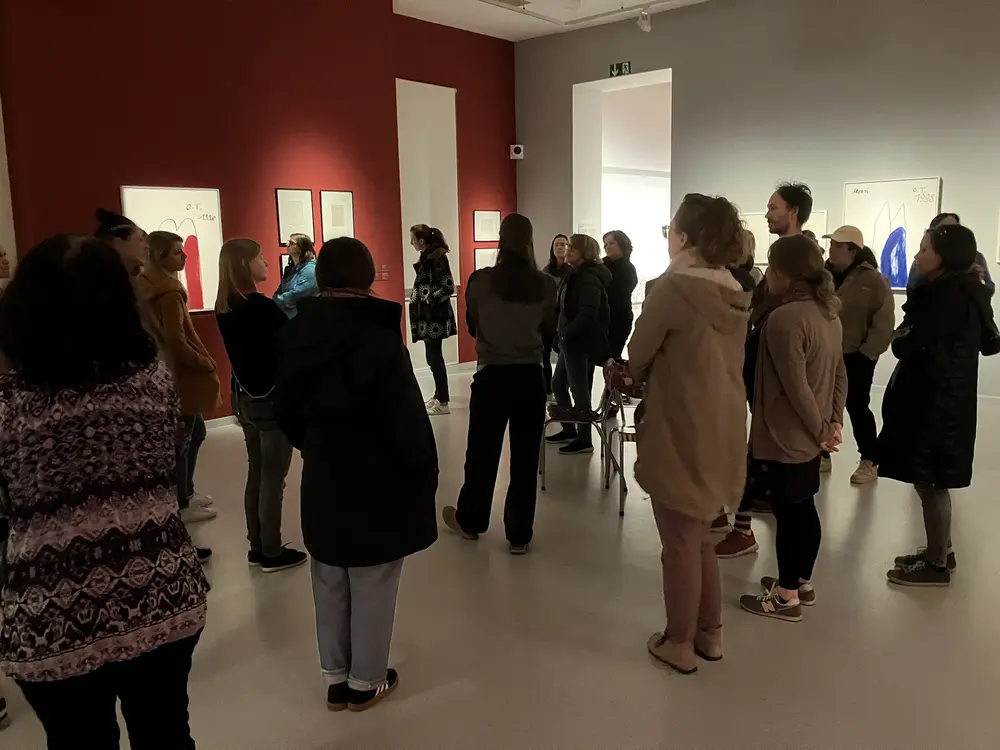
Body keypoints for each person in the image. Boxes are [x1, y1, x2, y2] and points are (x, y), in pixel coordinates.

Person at [0, 235, 209, 748]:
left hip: (55, 615)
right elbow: (168, 463)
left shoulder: (10, 403)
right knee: (166, 734)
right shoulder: (153, 384)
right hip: (161, 592)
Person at [274, 236, 438, 712]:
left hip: (324, 470)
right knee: (373, 577)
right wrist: (422, 470)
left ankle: (335, 675)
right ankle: (366, 680)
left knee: (328, 572)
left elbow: (286, 411)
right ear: (366, 278)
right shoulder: (378, 338)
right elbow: (405, 418)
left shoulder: (295, 334)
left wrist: (317, 444)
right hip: (376, 475)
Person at [629, 194, 751, 674]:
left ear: (683, 237)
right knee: (702, 539)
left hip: (679, 424)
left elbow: (639, 353)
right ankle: (710, 634)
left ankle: (678, 641)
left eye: (670, 231)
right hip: (724, 423)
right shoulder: (734, 290)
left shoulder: (673, 289)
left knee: (679, 541)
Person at [880, 224, 1000, 587]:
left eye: (925, 249)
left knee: (931, 481)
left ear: (946, 256)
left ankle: (935, 565)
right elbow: (989, 342)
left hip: (936, 400)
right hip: (946, 398)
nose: (917, 256)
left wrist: (900, 337)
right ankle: (940, 550)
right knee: (931, 479)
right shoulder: (968, 290)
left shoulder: (946, 295)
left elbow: (907, 343)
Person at [738, 235, 846, 622]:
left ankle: (785, 597)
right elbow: (839, 374)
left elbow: (795, 387)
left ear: (784, 272)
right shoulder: (828, 314)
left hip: (785, 435)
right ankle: (800, 581)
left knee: (788, 514)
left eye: (771, 266)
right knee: (803, 507)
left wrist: (821, 429)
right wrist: (833, 422)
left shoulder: (785, 318)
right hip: (809, 435)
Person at [442, 214, 557, 555]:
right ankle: (519, 534)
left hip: (492, 375)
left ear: (501, 240)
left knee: (481, 453)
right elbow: (548, 331)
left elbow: (472, 325)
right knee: (525, 458)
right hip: (529, 377)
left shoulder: (480, 281)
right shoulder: (545, 284)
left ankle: (471, 520)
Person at [216, 238, 307, 573]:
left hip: (244, 398)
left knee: (257, 472)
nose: (266, 262)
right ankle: (271, 549)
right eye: (260, 257)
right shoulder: (260, 308)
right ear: (245, 264)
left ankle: (257, 545)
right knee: (273, 477)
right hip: (270, 400)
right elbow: (292, 346)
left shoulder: (226, 306)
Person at [137, 231, 222, 526]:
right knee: (184, 439)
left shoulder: (147, 287)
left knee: (194, 433)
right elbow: (177, 339)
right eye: (177, 252)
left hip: (163, 372)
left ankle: (187, 491)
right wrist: (204, 362)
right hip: (180, 376)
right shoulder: (170, 293)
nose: (184, 257)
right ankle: (182, 501)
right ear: (160, 257)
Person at [821, 226, 894, 484]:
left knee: (857, 406)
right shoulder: (822, 276)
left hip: (856, 355)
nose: (832, 250)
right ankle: (822, 453)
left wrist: (867, 354)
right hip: (824, 353)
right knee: (821, 404)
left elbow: (883, 322)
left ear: (854, 250)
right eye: (832, 245)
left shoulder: (873, 281)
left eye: (838, 246)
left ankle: (869, 459)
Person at [546, 234, 611, 455]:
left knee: (579, 390)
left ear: (584, 252)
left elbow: (588, 314)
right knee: (558, 384)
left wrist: (566, 334)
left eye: (572, 247)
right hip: (569, 341)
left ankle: (584, 438)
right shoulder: (574, 274)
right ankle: (569, 428)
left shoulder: (588, 277)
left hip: (579, 342)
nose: (567, 250)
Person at [409, 224, 457, 416]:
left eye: (413, 239)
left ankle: (443, 401)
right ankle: (438, 396)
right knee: (432, 357)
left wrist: (429, 299)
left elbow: (448, 287)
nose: (411, 243)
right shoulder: (428, 257)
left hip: (434, 319)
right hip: (429, 318)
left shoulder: (438, 258)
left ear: (421, 241)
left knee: (435, 358)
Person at [906, 213, 995, 294]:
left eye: (956, 228)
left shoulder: (976, 257)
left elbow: (989, 288)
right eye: (946, 230)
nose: (952, 234)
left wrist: (978, 281)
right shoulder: (921, 260)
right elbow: (912, 291)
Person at [601, 230, 639, 415]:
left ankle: (610, 402)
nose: (607, 247)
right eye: (606, 244)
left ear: (622, 245)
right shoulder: (603, 265)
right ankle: (608, 401)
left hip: (619, 319)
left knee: (612, 362)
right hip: (604, 319)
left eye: (612, 243)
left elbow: (618, 295)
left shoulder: (627, 268)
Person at [542, 234, 570, 399]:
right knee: (544, 354)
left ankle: (562, 388)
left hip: (565, 318)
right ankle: (548, 390)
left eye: (563, 244)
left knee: (563, 356)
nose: (560, 247)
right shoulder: (546, 271)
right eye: (557, 245)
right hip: (549, 317)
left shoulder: (572, 271)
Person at [274, 233, 318, 318]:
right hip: (289, 317)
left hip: (305, 318)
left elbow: (297, 295)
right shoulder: (290, 269)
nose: (287, 244)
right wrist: (279, 300)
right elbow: (279, 292)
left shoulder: (310, 269)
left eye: (291, 243)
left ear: (302, 247)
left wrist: (279, 300)